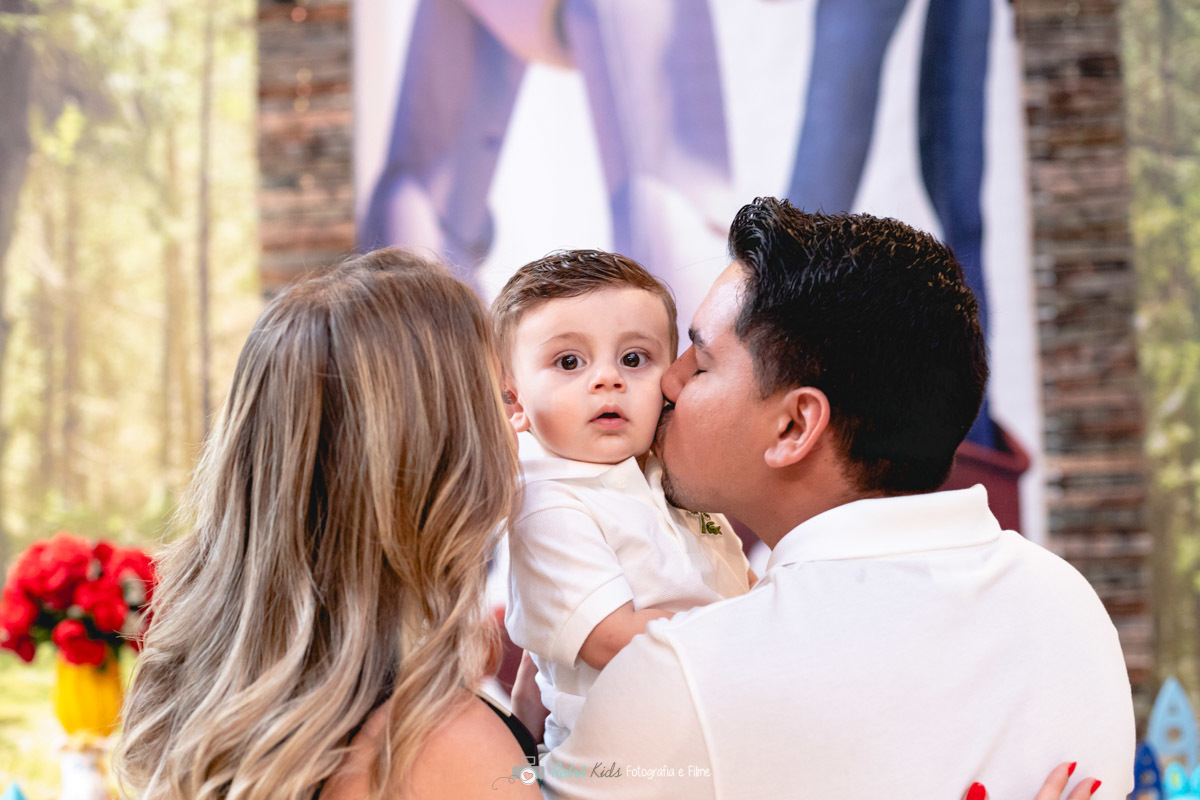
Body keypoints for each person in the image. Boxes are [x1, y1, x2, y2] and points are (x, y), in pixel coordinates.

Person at [541, 198, 1134, 798]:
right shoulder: (1068, 606)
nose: (667, 382)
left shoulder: (686, 673)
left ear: (795, 427)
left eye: (701, 363)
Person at [113, 250, 539, 799]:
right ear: (441, 461)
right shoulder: (436, 749)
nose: (518, 428)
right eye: (500, 400)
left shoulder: (210, 704)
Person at [492, 250, 753, 750]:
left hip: (709, 719)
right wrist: (760, 625)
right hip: (615, 757)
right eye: (569, 362)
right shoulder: (547, 503)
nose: (607, 379)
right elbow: (613, 638)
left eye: (634, 359)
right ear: (515, 400)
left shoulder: (666, 473)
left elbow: (735, 579)